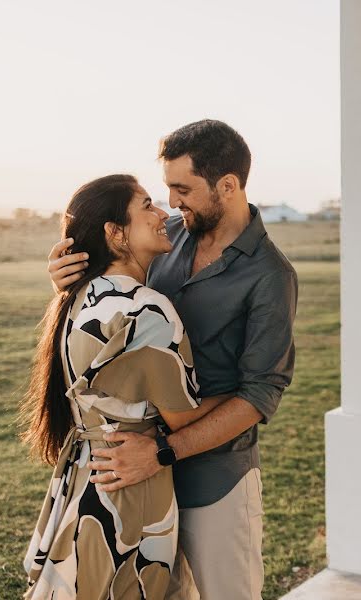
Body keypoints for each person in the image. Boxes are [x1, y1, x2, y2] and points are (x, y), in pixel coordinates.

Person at [46, 120, 298, 600]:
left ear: (228, 186)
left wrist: (161, 451)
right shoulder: (164, 238)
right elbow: (116, 314)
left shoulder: (271, 276)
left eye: (182, 189)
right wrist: (67, 281)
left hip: (214, 481)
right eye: (165, 189)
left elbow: (260, 396)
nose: (171, 203)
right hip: (139, 486)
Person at [20, 174, 231, 599]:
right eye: (148, 205)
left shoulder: (76, 297)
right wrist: (241, 391)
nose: (163, 214)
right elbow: (182, 416)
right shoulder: (146, 308)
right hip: (130, 491)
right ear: (115, 233)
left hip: (87, 476)